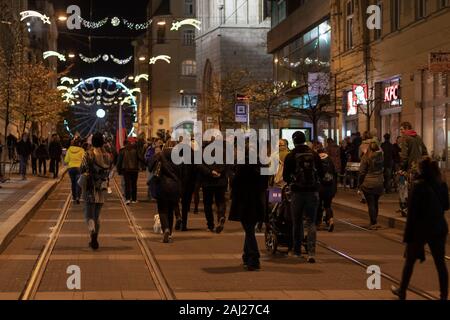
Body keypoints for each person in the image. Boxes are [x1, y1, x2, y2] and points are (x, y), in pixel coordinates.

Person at [392, 158, 448, 300]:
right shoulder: (442, 184)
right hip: (438, 227)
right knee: (440, 264)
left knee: (410, 262)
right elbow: (446, 205)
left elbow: (412, 213)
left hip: (421, 229)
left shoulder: (418, 186)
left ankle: (402, 291)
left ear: (422, 170)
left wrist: (408, 234)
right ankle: (444, 295)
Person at [283, 131, 324, 263]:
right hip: (312, 192)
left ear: (294, 141)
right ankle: (311, 252)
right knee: (311, 222)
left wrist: (292, 182)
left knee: (297, 221)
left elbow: (285, 176)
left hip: (297, 192)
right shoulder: (314, 154)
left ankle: (297, 251)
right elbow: (322, 173)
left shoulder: (291, 155)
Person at [229, 147, 268, 271]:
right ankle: (246, 256)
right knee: (249, 228)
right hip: (257, 201)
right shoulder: (261, 165)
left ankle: (254, 258)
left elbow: (235, 183)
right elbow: (265, 184)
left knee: (249, 230)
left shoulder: (242, 166)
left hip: (244, 202)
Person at [79, 132, 111, 250]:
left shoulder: (88, 154)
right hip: (101, 188)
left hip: (89, 188)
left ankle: (92, 235)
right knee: (97, 216)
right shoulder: (107, 155)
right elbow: (109, 170)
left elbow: (82, 169)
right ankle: (95, 237)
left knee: (89, 215)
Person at [149, 141, 181, 243]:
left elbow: (150, 167)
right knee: (171, 210)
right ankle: (170, 233)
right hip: (175, 186)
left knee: (162, 210)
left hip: (162, 185)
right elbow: (184, 173)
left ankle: (165, 229)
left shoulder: (159, 155)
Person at [197, 140, 229, 234]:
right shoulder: (224, 152)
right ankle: (221, 216)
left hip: (208, 182)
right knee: (221, 201)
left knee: (208, 204)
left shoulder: (204, 152)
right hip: (220, 181)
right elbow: (227, 164)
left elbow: (200, 165)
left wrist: (211, 172)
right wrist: (219, 172)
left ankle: (210, 225)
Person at [358, 141, 384, 230]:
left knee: (371, 204)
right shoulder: (381, 157)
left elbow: (362, 172)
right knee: (375, 202)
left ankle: (373, 222)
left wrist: (359, 184)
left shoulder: (366, 157)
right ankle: (375, 221)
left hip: (368, 183)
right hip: (379, 182)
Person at [317, 148, 337, 232]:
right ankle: (331, 220)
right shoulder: (330, 160)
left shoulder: (317, 160)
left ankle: (318, 223)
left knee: (318, 205)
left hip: (320, 187)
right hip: (330, 187)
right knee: (327, 205)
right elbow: (335, 173)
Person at [117, 139, 140, 205]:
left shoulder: (122, 151)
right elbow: (140, 158)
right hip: (135, 170)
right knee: (134, 184)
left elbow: (119, 162)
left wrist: (119, 171)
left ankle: (127, 199)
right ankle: (134, 199)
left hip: (126, 170)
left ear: (124, 145)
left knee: (127, 185)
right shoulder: (135, 150)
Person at [65, 138, 85, 204]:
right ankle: (78, 197)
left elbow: (66, 160)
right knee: (79, 183)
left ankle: (74, 197)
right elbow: (84, 159)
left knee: (73, 183)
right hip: (79, 168)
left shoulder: (69, 150)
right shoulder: (82, 150)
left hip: (71, 168)